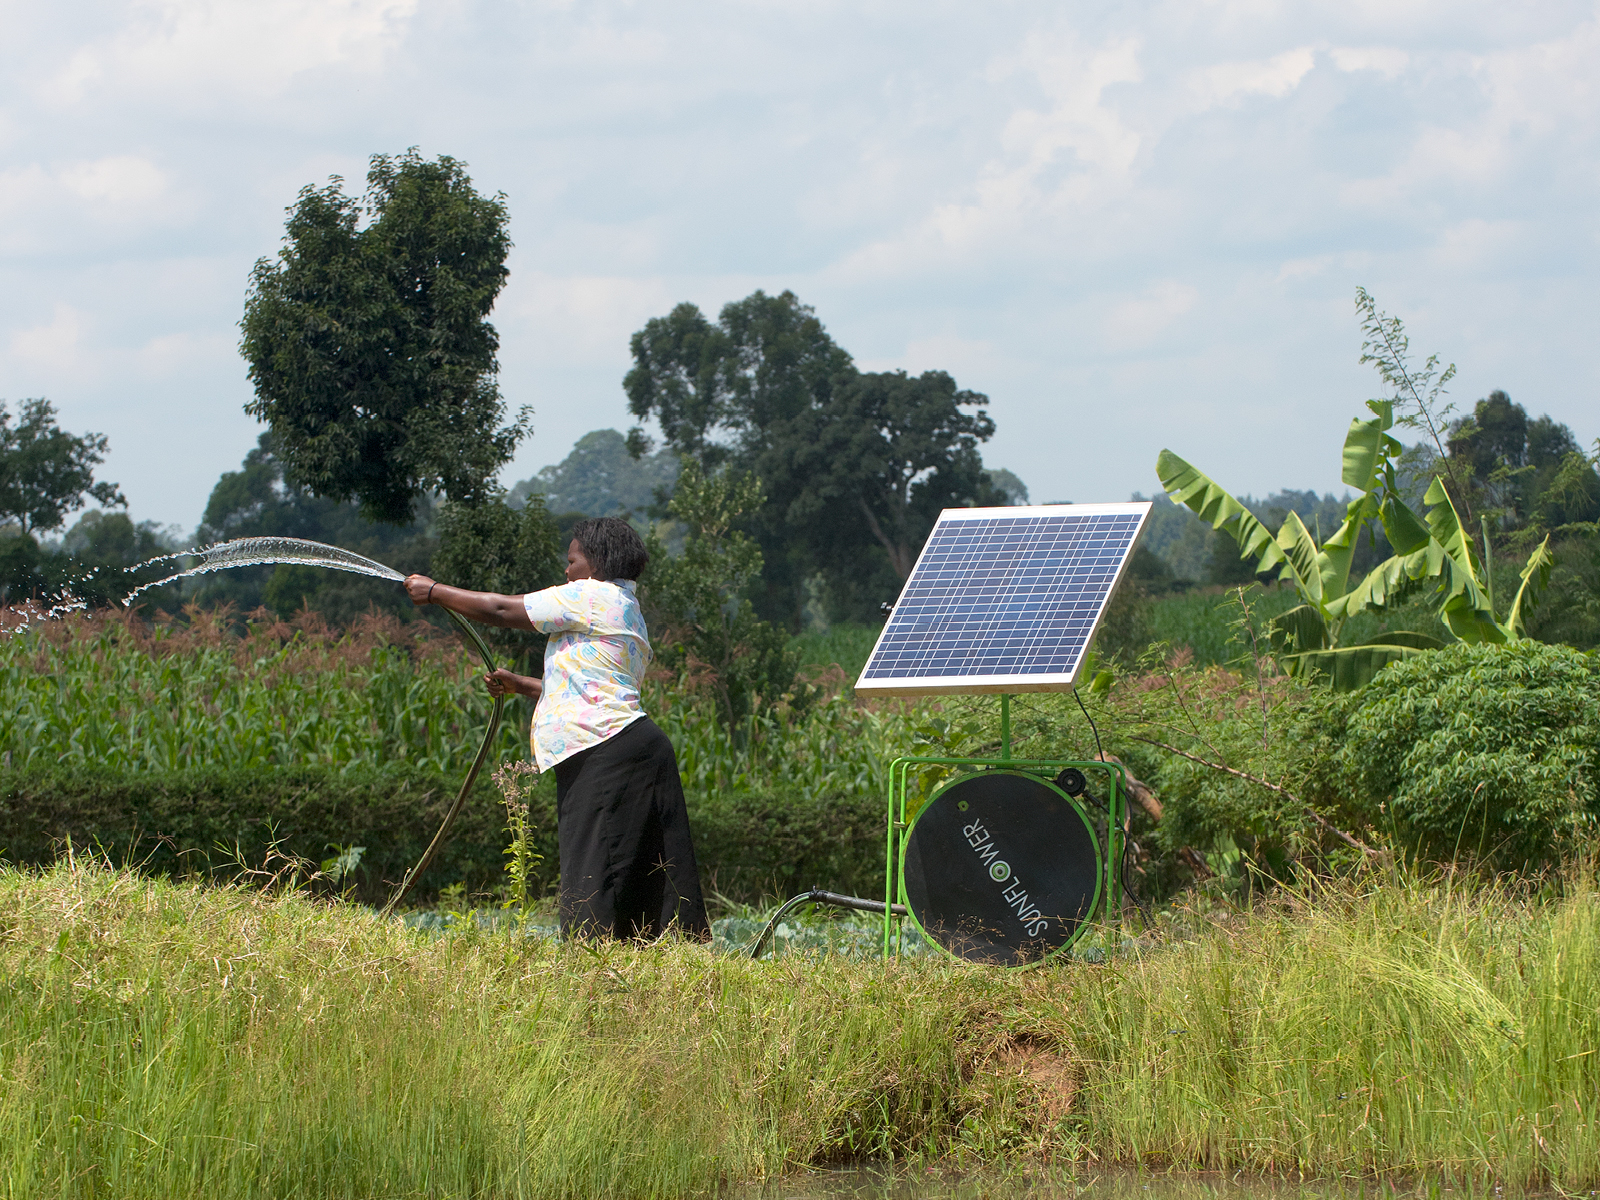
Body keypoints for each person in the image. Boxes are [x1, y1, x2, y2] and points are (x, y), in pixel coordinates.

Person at [404, 517, 710, 941]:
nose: (566, 571)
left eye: (572, 560)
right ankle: (640, 973)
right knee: (637, 876)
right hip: (632, 748)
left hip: (606, 753)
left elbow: (500, 609)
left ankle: (590, 978)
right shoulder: (626, 607)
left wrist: (436, 593)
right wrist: (523, 685)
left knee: (594, 876)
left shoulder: (590, 594)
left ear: (596, 562)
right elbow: (593, 687)